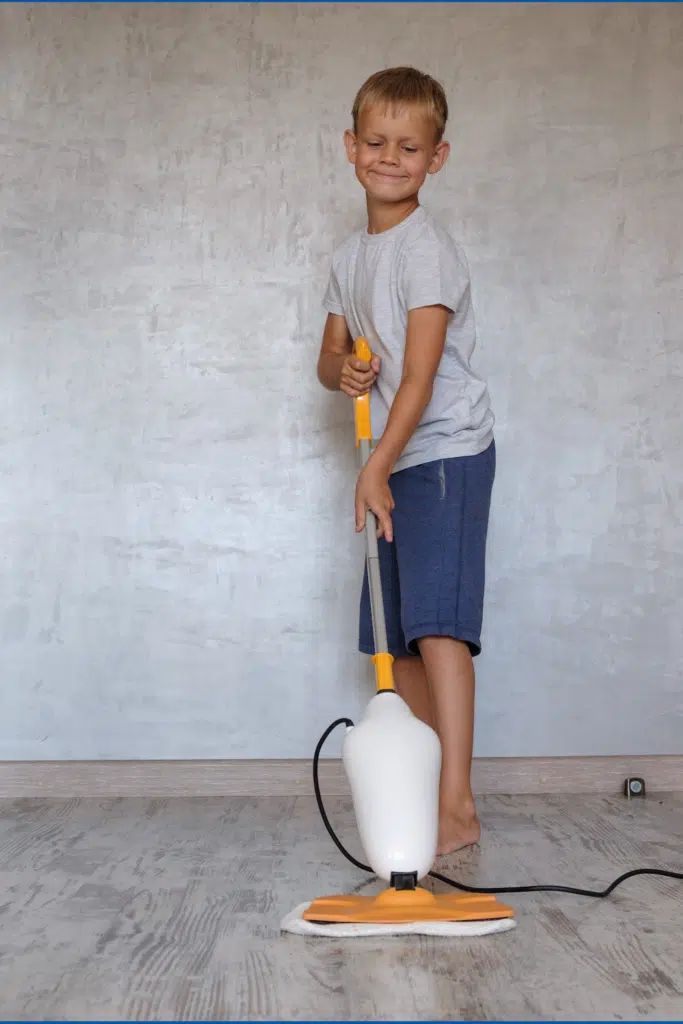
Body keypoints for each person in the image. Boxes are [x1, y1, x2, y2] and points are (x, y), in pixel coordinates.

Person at [316, 67, 495, 856]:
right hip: (393, 460)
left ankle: (454, 805)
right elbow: (329, 358)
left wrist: (377, 466)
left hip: (444, 454)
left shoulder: (427, 251)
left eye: (409, 147)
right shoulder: (347, 256)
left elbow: (418, 378)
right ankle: (420, 793)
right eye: (377, 143)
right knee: (397, 641)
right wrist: (344, 372)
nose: (390, 158)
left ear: (437, 158)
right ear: (351, 147)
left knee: (440, 631)